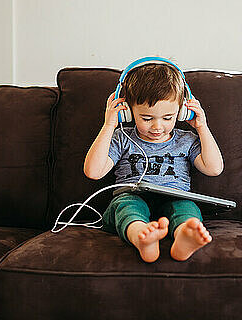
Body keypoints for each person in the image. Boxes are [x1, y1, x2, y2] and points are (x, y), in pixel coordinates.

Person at [83, 62, 224, 262]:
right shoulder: (122, 137)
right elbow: (93, 171)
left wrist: (202, 127)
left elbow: (214, 168)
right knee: (126, 207)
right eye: (147, 118)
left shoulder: (186, 140)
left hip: (174, 197)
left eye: (168, 117)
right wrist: (109, 124)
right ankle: (142, 237)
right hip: (132, 196)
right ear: (128, 112)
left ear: (182, 112)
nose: (158, 126)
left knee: (186, 207)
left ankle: (184, 235)